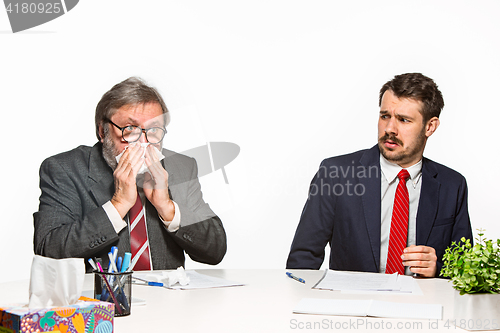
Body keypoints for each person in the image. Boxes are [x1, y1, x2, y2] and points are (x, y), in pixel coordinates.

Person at [286, 73, 472, 278]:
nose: (390, 129)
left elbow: (466, 269)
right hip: (352, 304)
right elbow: (302, 260)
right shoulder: (336, 174)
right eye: (385, 116)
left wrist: (439, 268)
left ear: (430, 126)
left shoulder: (452, 185)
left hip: (421, 305)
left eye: (403, 120)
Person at [34, 77, 227, 272]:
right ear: (102, 131)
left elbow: (215, 251)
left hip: (168, 299)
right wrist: (118, 206)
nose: (143, 143)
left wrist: (168, 208)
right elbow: (48, 250)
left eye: (153, 130)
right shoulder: (65, 169)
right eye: (130, 129)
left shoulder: (181, 167)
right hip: (102, 299)